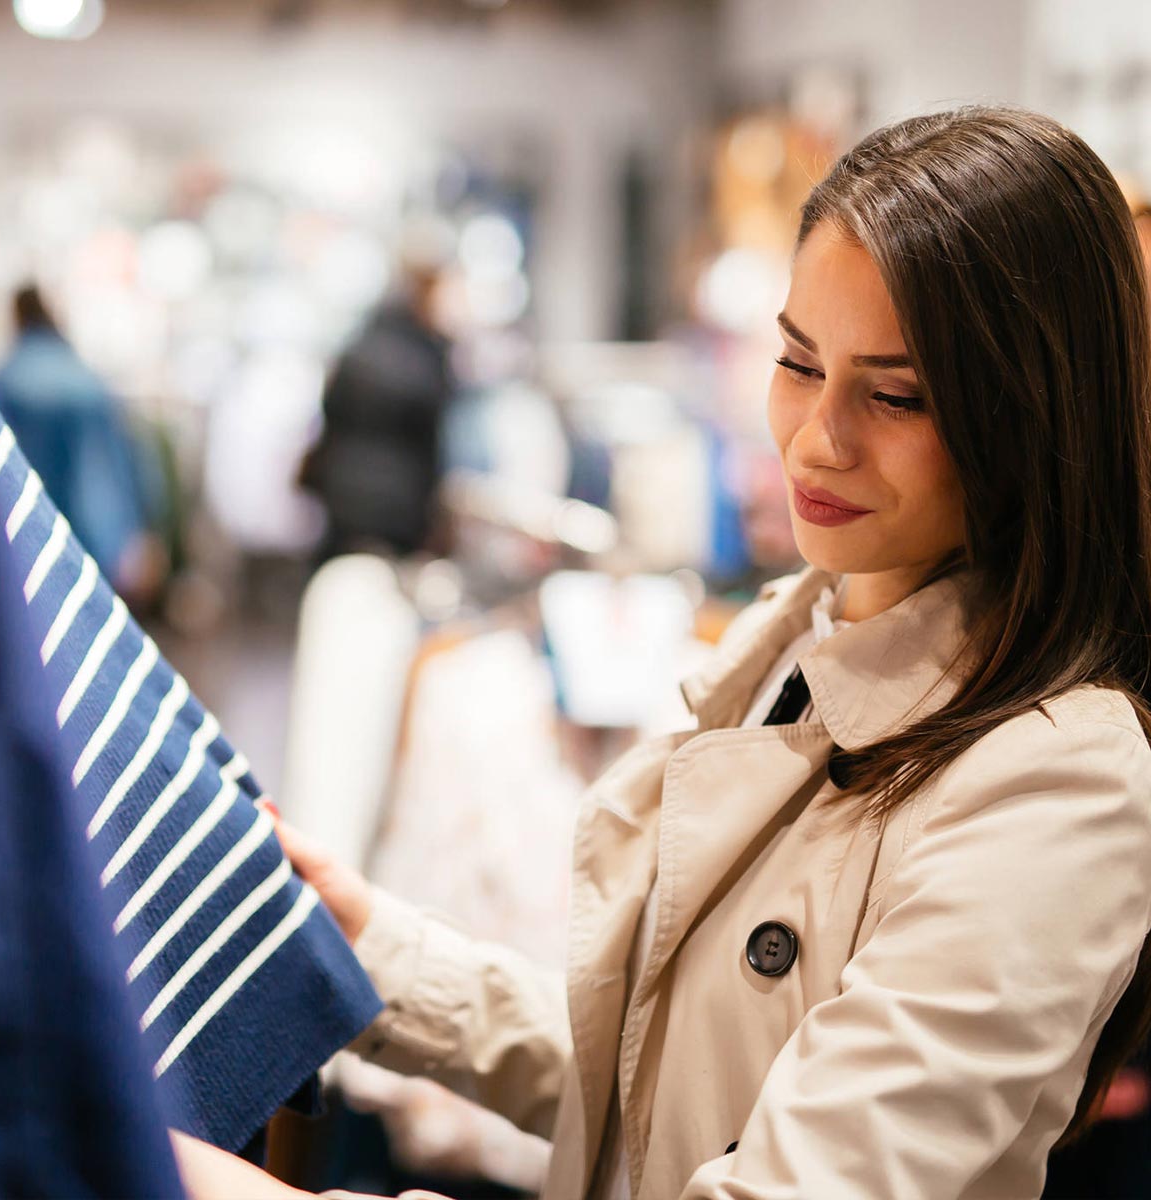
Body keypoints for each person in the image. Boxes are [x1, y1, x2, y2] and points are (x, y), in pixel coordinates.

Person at [174, 106, 1151, 1198]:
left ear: (1034, 414)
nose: (816, 437)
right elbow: (665, 1085)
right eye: (797, 360)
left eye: (897, 394)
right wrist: (375, 948)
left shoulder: (1061, 779)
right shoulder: (791, 639)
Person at [0, 285, 166, 605]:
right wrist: (138, 533)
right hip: (90, 539)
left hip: (26, 542)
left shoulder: (3, 381)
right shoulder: (87, 380)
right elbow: (121, 464)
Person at [304, 264, 455, 560]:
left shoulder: (361, 344)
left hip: (343, 493)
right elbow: (432, 442)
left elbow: (329, 412)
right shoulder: (427, 357)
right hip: (400, 504)